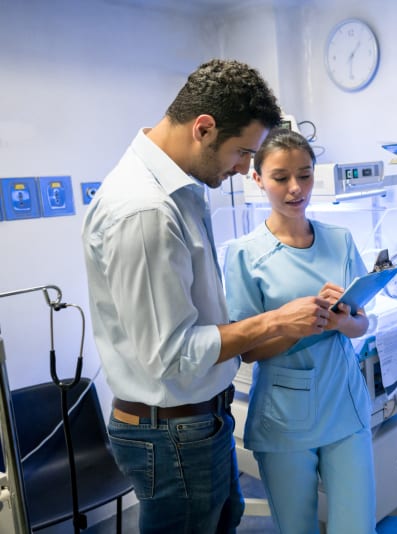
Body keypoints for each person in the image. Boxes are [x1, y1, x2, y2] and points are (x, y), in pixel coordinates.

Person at [82, 60, 332, 534]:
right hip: (172, 434)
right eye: (243, 153)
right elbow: (170, 353)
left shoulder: (179, 193)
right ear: (203, 129)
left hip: (196, 423)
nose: (243, 169)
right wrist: (275, 322)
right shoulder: (146, 210)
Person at [223, 129, 376, 534]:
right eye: (281, 178)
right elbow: (248, 350)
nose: (296, 188)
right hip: (285, 416)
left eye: (305, 175)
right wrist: (301, 326)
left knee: (357, 527)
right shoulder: (245, 254)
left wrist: (342, 321)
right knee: (297, 528)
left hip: (345, 403)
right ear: (258, 179)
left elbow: (361, 323)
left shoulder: (340, 240)